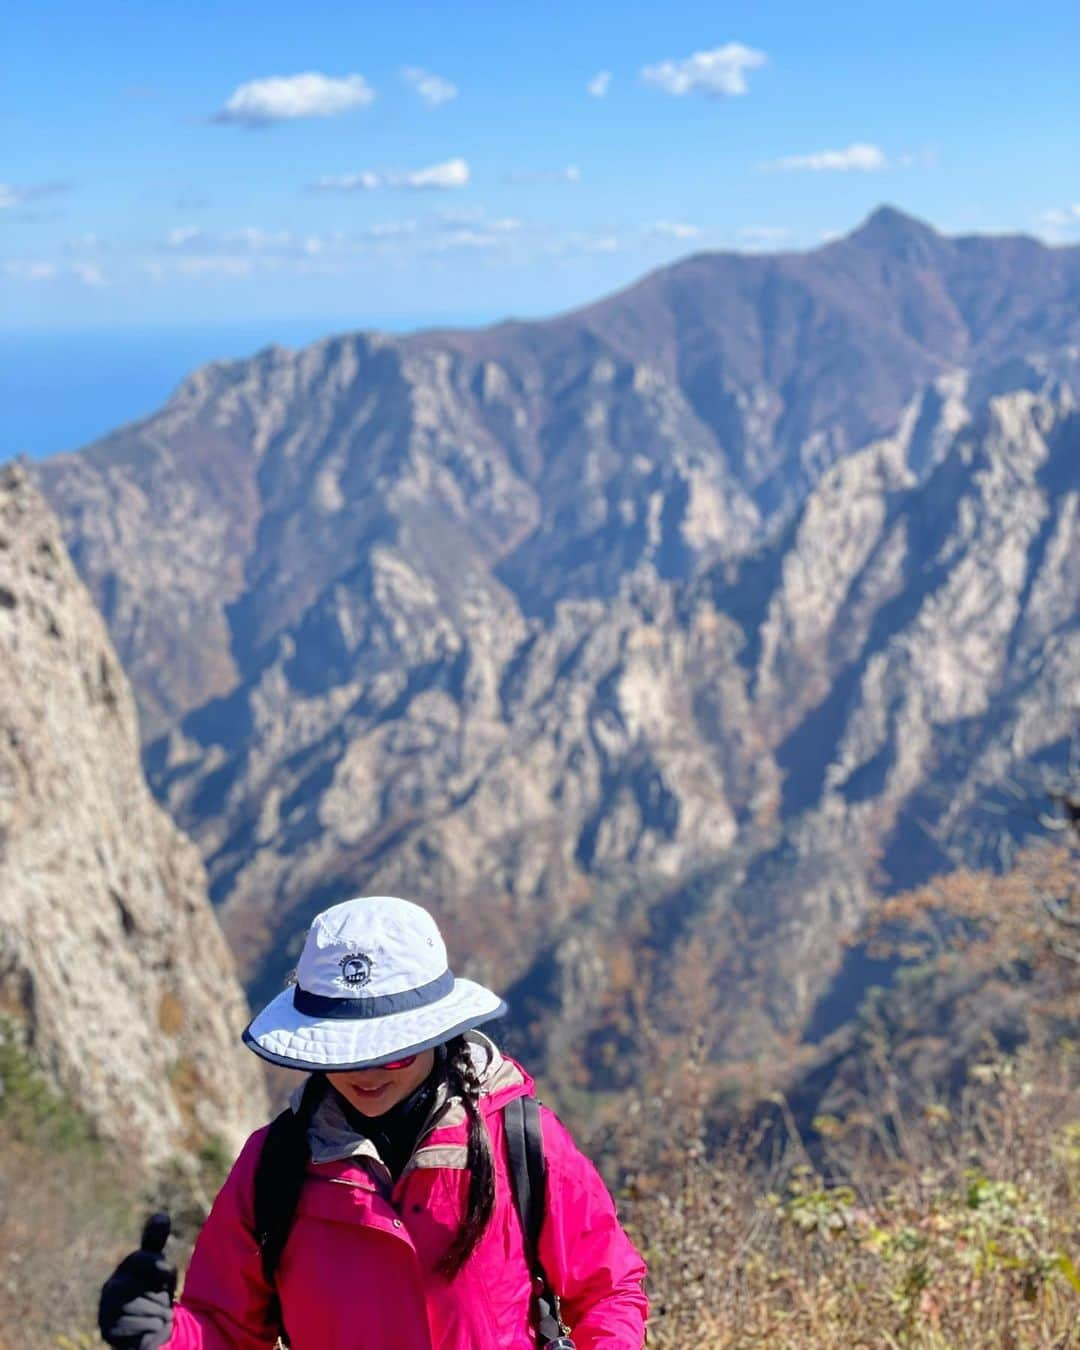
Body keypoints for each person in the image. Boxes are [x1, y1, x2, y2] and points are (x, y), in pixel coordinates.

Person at [99, 894, 649, 1348]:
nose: (362, 1075)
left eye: (390, 1053)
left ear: (437, 1036)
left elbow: (609, 1290)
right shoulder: (275, 1166)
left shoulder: (518, 1141)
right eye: (338, 1055)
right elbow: (223, 1328)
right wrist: (162, 1333)